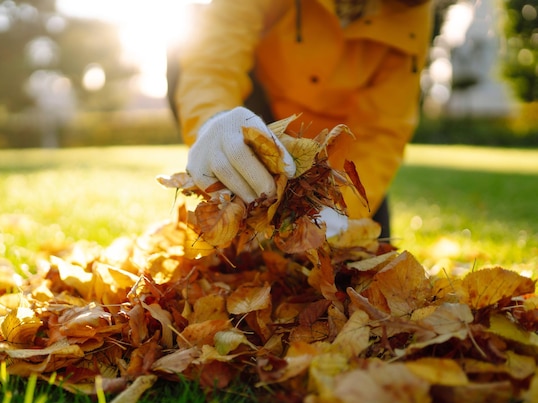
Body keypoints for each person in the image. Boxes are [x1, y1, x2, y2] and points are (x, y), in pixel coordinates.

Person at [167, 0, 433, 239]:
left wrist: (341, 210)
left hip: (335, 157)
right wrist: (213, 118)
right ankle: (236, 183)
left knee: (369, 246)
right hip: (259, 121)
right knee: (185, 46)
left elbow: (382, 130)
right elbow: (215, 53)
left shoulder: (412, 13)